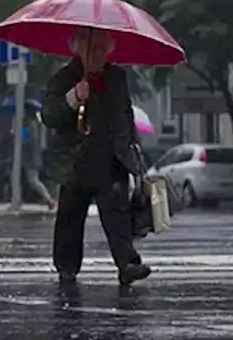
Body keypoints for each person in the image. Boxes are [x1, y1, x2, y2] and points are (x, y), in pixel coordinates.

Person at [41, 27, 151, 286]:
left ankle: (127, 263)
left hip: (112, 160)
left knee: (117, 215)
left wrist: (132, 147)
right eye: (93, 48)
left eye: (103, 48)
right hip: (76, 160)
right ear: (78, 49)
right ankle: (67, 267)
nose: (100, 54)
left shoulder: (117, 77)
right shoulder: (64, 78)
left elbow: (125, 114)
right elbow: (50, 116)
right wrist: (73, 98)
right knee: (70, 215)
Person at [19, 119, 57, 211]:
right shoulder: (28, 125)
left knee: (33, 180)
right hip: (29, 157)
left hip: (31, 158)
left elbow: (28, 140)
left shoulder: (30, 125)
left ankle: (49, 199)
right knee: (22, 179)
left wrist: (18, 138)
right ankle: (18, 198)